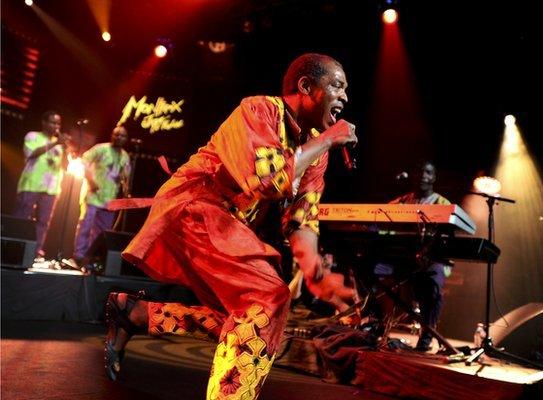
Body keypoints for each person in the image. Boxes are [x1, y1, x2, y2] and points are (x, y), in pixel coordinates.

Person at [104, 53, 357, 399]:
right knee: (268, 296)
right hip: (195, 205)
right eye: (338, 86)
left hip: (223, 221)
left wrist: (318, 277)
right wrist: (327, 140)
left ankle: (135, 313)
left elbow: (303, 219)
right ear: (306, 86)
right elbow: (269, 179)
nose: (345, 97)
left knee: (250, 320)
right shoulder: (259, 110)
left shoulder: (317, 150)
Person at [388, 161, 452, 352]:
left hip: (434, 259)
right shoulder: (404, 200)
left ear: (433, 178)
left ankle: (426, 336)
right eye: (420, 171)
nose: (423, 175)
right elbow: (380, 213)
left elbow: (449, 235)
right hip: (406, 258)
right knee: (371, 270)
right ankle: (376, 324)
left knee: (432, 288)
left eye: (428, 172)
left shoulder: (443, 204)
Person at [64, 126, 131, 272]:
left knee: (102, 232)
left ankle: (90, 259)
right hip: (93, 196)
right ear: (112, 135)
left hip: (109, 200)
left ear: (126, 139)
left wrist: (125, 187)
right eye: (116, 134)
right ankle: (79, 257)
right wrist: (91, 180)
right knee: (85, 227)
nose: (118, 138)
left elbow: (125, 177)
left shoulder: (125, 156)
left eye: (122, 136)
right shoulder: (101, 149)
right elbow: (84, 161)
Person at [14, 111, 70, 259]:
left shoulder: (59, 145)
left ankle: (35, 252)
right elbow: (31, 153)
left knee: (43, 222)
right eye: (52, 122)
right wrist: (55, 143)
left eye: (58, 123)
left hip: (51, 188)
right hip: (31, 184)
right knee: (22, 218)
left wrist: (65, 149)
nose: (56, 126)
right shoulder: (33, 136)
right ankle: (14, 246)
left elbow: (66, 166)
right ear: (44, 123)